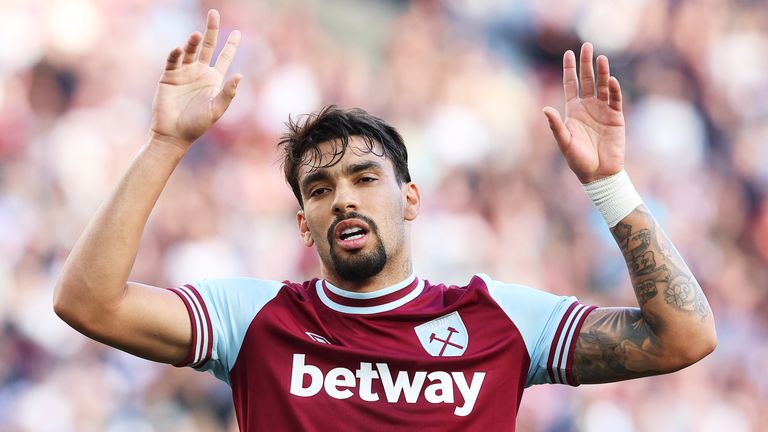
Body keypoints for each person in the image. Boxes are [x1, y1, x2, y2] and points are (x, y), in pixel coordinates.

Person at [53, 10, 717, 431]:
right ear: (304, 226)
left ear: (411, 199)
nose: (343, 197)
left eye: (365, 178)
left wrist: (607, 185)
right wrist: (166, 144)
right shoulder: (253, 320)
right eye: (319, 188)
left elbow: (683, 338)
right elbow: (88, 303)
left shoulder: (502, 320)